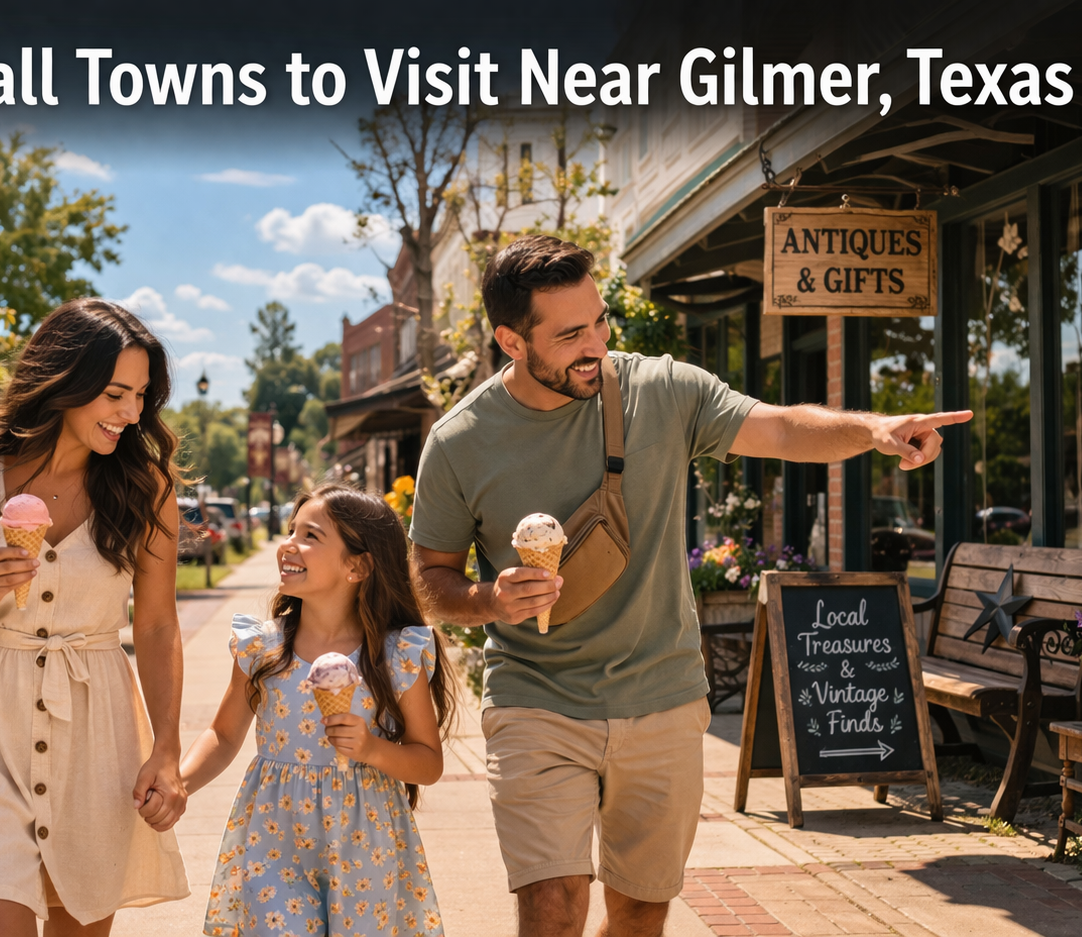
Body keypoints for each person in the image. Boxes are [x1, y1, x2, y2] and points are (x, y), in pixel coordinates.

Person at [409, 235, 972, 937]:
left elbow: (783, 426)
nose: (596, 345)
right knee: (551, 905)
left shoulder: (661, 389)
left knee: (642, 912)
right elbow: (429, 579)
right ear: (511, 340)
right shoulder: (461, 441)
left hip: (662, 694)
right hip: (537, 700)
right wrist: (487, 600)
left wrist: (876, 429)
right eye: (570, 333)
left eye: (600, 321)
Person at [0, 299, 192, 937]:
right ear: (65, 383)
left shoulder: (147, 486)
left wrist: (165, 750)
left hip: (97, 734)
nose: (131, 414)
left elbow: (159, 627)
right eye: (115, 394)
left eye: (141, 397)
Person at [182, 485, 455, 936]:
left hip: (366, 841)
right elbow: (224, 735)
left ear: (358, 565)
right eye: (291, 530)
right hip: (275, 833)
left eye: (310, 535)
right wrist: (179, 784)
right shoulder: (263, 648)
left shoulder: (397, 656)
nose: (289, 543)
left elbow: (427, 762)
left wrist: (371, 748)